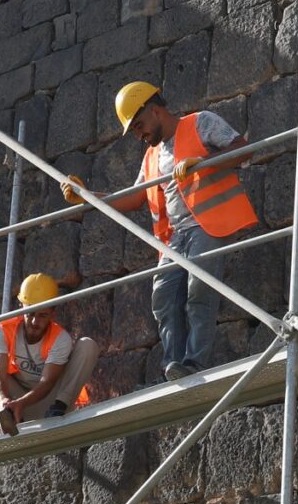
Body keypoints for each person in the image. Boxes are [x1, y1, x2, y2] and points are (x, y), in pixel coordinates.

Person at [60, 81, 258, 380]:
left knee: (199, 289)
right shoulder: (152, 156)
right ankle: (173, 365)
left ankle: (195, 363)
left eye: (139, 125)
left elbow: (243, 149)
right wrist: (87, 197)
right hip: (175, 236)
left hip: (208, 224)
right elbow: (135, 197)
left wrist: (203, 162)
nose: (139, 135)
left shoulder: (200, 123)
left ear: (155, 110)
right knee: (163, 296)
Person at [0, 271, 101, 435]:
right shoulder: (2, 331)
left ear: (53, 313)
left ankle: (60, 407)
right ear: (20, 307)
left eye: (42, 315)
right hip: (16, 405)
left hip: (50, 403)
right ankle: (8, 414)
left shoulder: (60, 339)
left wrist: (21, 403)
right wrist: (5, 402)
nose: (34, 322)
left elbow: (47, 383)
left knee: (88, 346)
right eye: (30, 313)